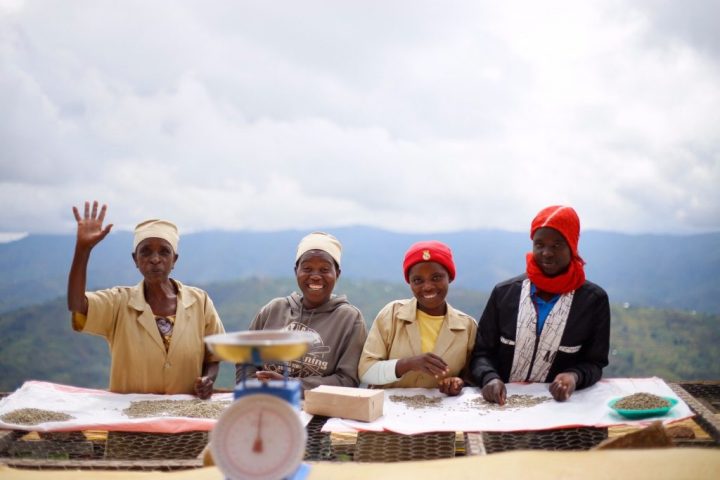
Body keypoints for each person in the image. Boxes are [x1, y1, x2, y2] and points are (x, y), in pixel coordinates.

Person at [67, 201, 225, 399]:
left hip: (183, 420)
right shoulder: (118, 302)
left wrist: (208, 379)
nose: (155, 259)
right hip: (128, 420)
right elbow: (76, 304)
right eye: (146, 251)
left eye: (164, 252)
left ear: (174, 259)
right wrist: (83, 250)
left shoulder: (199, 301)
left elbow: (214, 354)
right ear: (135, 259)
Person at [469, 205, 610, 404]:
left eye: (557, 245)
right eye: (539, 244)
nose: (546, 253)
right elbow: (481, 354)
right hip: (503, 409)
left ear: (572, 246)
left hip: (560, 411)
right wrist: (489, 378)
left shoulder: (593, 301)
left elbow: (595, 362)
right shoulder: (504, 294)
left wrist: (573, 377)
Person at [234, 232, 367, 391]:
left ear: (337, 274)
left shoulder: (349, 319)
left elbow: (348, 380)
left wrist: (290, 385)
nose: (315, 276)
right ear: (296, 271)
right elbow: (246, 360)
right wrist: (254, 389)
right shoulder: (273, 310)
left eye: (324, 269)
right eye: (307, 268)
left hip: (320, 411)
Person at [358, 241, 477, 396]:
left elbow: (472, 375)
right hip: (388, 411)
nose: (427, 286)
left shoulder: (467, 327)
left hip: (442, 413)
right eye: (418, 280)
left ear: (450, 277)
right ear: (410, 283)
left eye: (436, 277)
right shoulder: (391, 315)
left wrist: (458, 382)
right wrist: (407, 364)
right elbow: (366, 372)